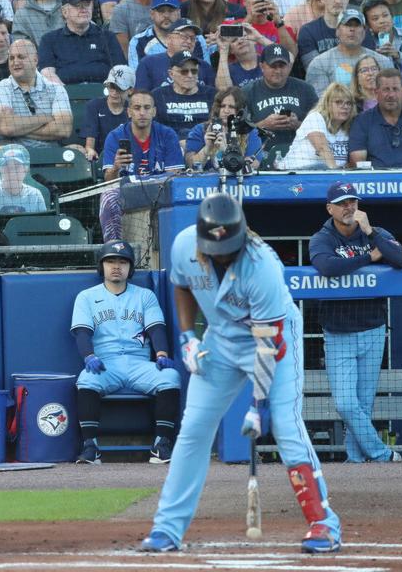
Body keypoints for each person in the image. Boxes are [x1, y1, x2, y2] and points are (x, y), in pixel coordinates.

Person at [140, 192, 342, 555]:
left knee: (285, 425)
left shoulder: (261, 264)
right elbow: (182, 287)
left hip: (271, 342)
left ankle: (323, 524)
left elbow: (270, 345)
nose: (223, 254)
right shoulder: (185, 244)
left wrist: (257, 404)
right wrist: (188, 337)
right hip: (220, 340)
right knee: (194, 429)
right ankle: (167, 529)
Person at [309, 181, 402, 464]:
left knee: (363, 404)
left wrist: (371, 233)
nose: (348, 207)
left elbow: (400, 259)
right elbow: (327, 267)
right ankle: (383, 454)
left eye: (352, 201)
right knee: (346, 403)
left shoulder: (374, 233)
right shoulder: (322, 237)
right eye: (341, 203)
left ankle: (355, 462)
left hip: (373, 328)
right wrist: (368, 257)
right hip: (338, 332)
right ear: (330, 209)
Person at [72, 240, 180, 465]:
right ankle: (91, 447)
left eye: (122, 261)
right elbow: (82, 332)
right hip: (105, 363)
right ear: (101, 266)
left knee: (170, 377)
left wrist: (161, 354)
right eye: (110, 261)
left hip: (139, 363)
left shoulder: (145, 295)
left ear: (130, 268)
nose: (116, 266)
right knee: (86, 379)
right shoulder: (86, 297)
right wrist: (89, 356)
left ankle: (162, 445)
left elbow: (156, 328)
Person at [98, 89, 184, 239]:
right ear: (129, 112)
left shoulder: (167, 134)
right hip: (128, 193)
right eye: (137, 108)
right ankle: (114, 248)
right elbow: (109, 181)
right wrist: (116, 167)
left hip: (160, 192)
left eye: (147, 107)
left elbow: (175, 175)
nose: (142, 112)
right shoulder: (115, 136)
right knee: (108, 196)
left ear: (154, 111)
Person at [0, 40, 73, 149]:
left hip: (49, 155)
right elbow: (6, 127)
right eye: (11, 58)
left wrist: (17, 129)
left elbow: (63, 129)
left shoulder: (56, 89)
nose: (15, 62)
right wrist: (47, 118)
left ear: (35, 60)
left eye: (21, 57)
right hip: (11, 155)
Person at [239, 44, 317, 165]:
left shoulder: (305, 89)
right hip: (260, 157)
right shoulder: (247, 92)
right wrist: (264, 125)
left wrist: (298, 125)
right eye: (273, 66)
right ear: (262, 66)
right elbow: (239, 132)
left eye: (282, 66)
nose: (278, 71)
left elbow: (320, 126)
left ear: (289, 66)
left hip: (300, 156)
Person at [39, 0, 127, 85]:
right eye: (77, 5)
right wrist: (64, 94)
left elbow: (120, 70)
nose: (84, 9)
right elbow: (47, 73)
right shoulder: (49, 40)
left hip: (104, 95)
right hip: (66, 96)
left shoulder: (107, 37)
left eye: (87, 5)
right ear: (64, 12)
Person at [305, 9, 393, 96]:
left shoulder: (382, 61)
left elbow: (390, 95)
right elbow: (320, 102)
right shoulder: (320, 63)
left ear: (364, 31)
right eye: (347, 25)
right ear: (337, 30)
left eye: (357, 25)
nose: (352, 29)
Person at [182, 85, 263, 172]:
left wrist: (227, 152)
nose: (226, 111)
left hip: (238, 182)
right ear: (217, 108)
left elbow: (254, 164)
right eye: (222, 106)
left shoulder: (249, 131)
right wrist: (207, 148)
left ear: (240, 111)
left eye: (231, 107)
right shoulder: (200, 129)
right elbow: (190, 165)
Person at [280, 82, 354, 170]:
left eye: (348, 103)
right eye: (338, 102)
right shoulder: (315, 117)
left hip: (326, 177)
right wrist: (336, 175)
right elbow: (322, 148)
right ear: (327, 104)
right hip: (295, 173)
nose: (344, 106)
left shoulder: (347, 129)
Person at [153, 49, 217, 140]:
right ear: (171, 74)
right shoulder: (158, 95)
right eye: (184, 71)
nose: (190, 75)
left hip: (204, 143)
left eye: (194, 71)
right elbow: (154, 129)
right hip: (169, 145)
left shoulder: (212, 94)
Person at [0, 143, 44, 215]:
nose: (12, 171)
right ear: (1, 169)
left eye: (16, 167)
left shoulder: (35, 194)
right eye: (7, 166)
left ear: (25, 169)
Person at [81, 65, 132, 162]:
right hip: (101, 157)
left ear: (130, 90)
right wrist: (90, 150)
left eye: (119, 88)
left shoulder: (134, 108)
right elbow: (89, 145)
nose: (114, 92)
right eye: (111, 87)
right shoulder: (94, 106)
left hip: (128, 157)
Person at [362, 0, 402, 71]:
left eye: (385, 15)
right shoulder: (365, 42)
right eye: (375, 19)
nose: (382, 21)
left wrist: (397, 55)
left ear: (392, 17)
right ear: (368, 25)